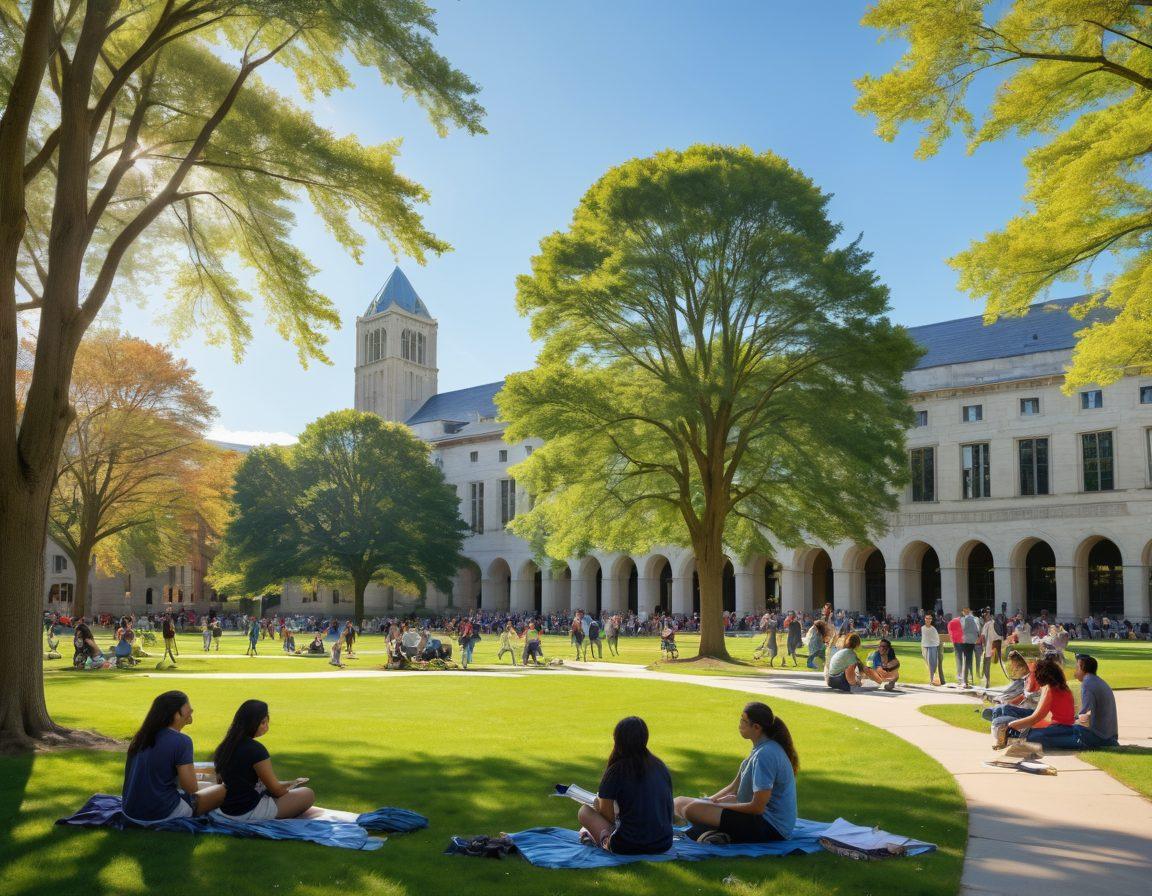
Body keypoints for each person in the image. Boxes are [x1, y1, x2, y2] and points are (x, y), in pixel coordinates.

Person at [673, 702, 797, 844]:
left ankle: (711, 834)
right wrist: (709, 801)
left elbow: (757, 807)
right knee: (679, 801)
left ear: (756, 727)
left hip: (770, 827)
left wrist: (718, 806)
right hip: (756, 817)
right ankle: (707, 831)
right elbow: (734, 787)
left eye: (743, 721)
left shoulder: (765, 755)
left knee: (692, 810)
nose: (740, 724)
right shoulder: (760, 749)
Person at [122, 690, 226, 824]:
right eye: (188, 706)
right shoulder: (182, 741)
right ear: (176, 713)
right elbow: (191, 789)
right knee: (225, 790)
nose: (191, 710)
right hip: (159, 813)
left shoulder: (141, 737)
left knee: (208, 780)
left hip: (130, 810)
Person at [577, 717, 674, 854]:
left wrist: (599, 806)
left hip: (628, 845)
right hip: (663, 843)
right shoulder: (659, 766)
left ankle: (603, 840)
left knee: (584, 812)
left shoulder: (616, 770)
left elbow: (608, 818)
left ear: (617, 739)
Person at [213, 700, 316, 820]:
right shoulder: (256, 750)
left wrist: (291, 783)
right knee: (308, 793)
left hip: (225, 810)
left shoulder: (224, 746)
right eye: (263, 722)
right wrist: (294, 783)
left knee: (290, 791)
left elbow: (223, 783)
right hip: (248, 811)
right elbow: (276, 791)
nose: (266, 726)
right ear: (251, 723)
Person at [1027, 654, 1120, 750]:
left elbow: (1085, 718)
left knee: (1035, 737)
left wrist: (1071, 721)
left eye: (1077, 667)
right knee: (1041, 733)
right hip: (1106, 736)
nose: (1075, 671)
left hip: (1095, 738)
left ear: (1083, 669)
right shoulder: (1096, 681)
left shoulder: (1087, 683)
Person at [992, 657, 1075, 748]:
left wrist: (1011, 726)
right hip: (1061, 726)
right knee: (1001, 721)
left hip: (1059, 728)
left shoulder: (1050, 690)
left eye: (1035, 674)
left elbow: (1035, 718)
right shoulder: (1061, 687)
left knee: (1000, 724)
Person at [825, 634, 890, 692]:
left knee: (862, 669)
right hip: (838, 680)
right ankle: (880, 682)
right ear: (858, 644)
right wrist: (856, 684)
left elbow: (863, 669)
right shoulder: (851, 655)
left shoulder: (844, 652)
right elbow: (849, 672)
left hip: (830, 680)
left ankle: (880, 681)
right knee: (867, 684)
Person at [958, 608, 980, 688]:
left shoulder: (963, 620)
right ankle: (969, 679)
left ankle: (965, 681)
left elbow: (961, 629)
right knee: (969, 660)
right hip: (972, 641)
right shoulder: (975, 619)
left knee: (966, 661)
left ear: (964, 612)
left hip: (965, 641)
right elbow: (977, 630)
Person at [920, 612, 944, 686]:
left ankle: (932, 680)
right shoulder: (922, 628)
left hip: (933, 647)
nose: (928, 620)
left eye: (929, 618)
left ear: (931, 620)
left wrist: (936, 645)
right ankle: (933, 679)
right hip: (925, 647)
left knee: (932, 663)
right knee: (929, 663)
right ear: (925, 619)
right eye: (926, 618)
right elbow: (924, 638)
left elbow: (936, 638)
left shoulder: (933, 628)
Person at [979, 610, 1000, 689]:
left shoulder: (987, 624)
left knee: (986, 665)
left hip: (989, 647)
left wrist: (983, 645)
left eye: (987, 616)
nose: (986, 617)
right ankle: (987, 681)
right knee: (987, 664)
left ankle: (987, 681)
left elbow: (983, 636)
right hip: (994, 647)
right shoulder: (996, 624)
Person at [946, 613, 963, 683]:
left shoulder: (950, 623)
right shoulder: (960, 620)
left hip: (957, 642)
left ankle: (959, 676)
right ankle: (965, 676)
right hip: (964, 642)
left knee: (959, 659)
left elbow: (951, 634)